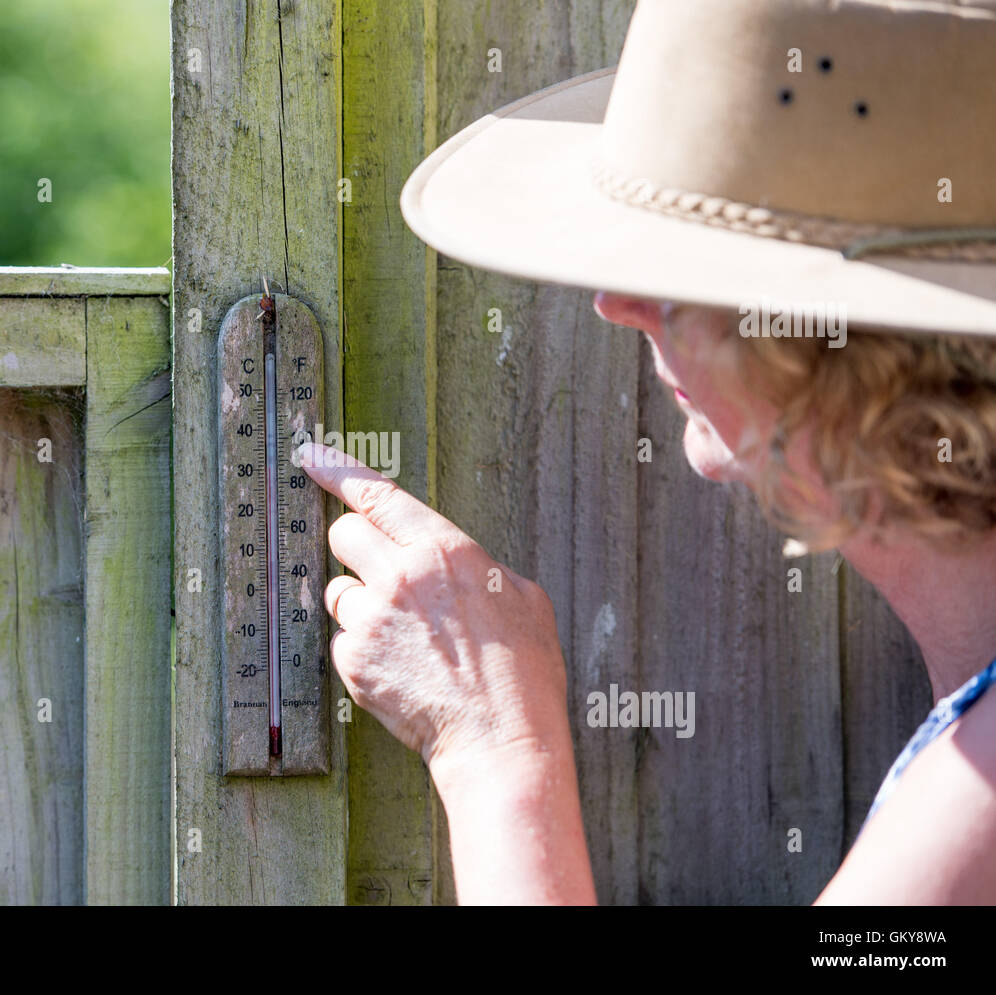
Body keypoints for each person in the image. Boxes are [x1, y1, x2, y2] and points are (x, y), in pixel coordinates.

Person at [297, 0, 996, 904]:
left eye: (692, 272)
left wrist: (497, 749)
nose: (616, 303)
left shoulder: (974, 805)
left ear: (870, 344)